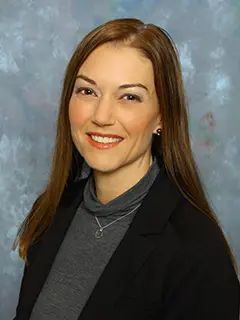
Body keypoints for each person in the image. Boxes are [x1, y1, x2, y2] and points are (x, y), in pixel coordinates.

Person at [13, 18, 240, 319]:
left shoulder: (196, 251)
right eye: (88, 91)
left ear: (162, 117)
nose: (102, 116)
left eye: (129, 97)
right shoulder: (52, 210)